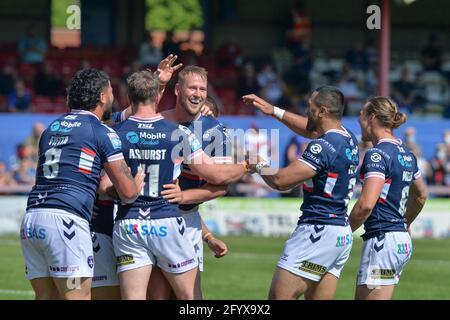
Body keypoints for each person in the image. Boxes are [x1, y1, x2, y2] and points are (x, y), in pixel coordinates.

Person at [110, 69, 250, 300]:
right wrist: (250, 166)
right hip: (166, 220)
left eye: (202, 89)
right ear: (176, 91)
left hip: (167, 219)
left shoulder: (216, 131)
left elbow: (220, 186)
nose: (197, 94)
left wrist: (185, 199)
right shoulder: (173, 128)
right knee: (163, 295)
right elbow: (217, 175)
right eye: (192, 88)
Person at [19, 68, 144, 300]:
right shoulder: (101, 132)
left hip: (32, 220)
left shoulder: (51, 129)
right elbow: (127, 192)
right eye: (111, 91)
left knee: (47, 297)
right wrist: (138, 181)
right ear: (102, 96)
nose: (113, 96)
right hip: (66, 222)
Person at [243, 86, 359, 300]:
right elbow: (309, 129)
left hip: (316, 230)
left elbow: (281, 181)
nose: (307, 111)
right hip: (339, 234)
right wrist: (274, 111)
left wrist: (259, 164)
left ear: (322, 111)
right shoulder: (348, 138)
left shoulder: (322, 147)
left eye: (310, 107)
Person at [349, 96, 427, 300]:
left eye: (361, 117)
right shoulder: (407, 154)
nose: (359, 122)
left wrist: (342, 231)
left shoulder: (377, 155)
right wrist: (405, 222)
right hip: (400, 240)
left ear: (372, 117)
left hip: (382, 240)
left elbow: (365, 205)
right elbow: (421, 195)